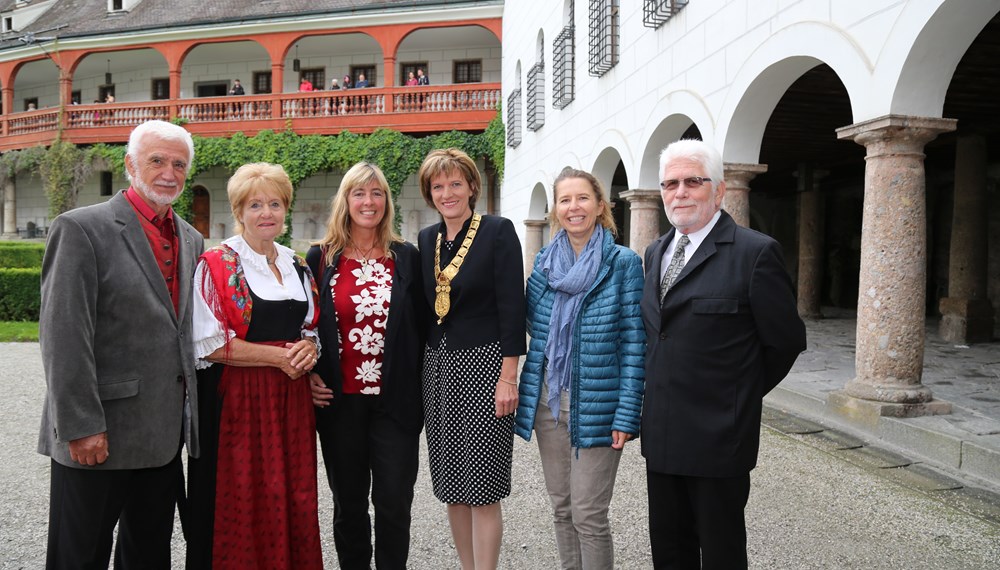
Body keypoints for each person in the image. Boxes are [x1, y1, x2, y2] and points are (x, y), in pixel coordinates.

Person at [38, 119, 203, 568]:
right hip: (97, 436)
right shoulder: (80, 228)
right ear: (130, 164)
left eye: (179, 164)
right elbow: (63, 335)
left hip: (161, 439)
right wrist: (80, 425)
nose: (169, 172)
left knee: (148, 556)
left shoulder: (192, 238)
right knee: (80, 556)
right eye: (157, 161)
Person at [641, 139, 807, 569]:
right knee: (669, 549)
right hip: (661, 434)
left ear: (719, 190)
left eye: (693, 181)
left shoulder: (755, 253)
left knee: (721, 553)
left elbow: (785, 342)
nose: (680, 192)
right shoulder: (655, 252)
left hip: (718, 437)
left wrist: (736, 395)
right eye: (671, 183)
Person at [186, 162, 323, 569]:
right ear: (239, 211)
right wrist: (281, 357)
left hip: (291, 399)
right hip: (240, 402)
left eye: (275, 204)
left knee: (292, 490)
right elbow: (209, 344)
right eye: (255, 204)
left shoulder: (296, 263)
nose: (267, 213)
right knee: (244, 491)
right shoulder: (218, 263)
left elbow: (310, 327)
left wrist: (308, 351)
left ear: (286, 210)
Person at [514, 168, 645, 569]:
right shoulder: (543, 265)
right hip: (549, 404)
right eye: (565, 200)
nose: (574, 207)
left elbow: (635, 343)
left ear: (600, 205)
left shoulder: (623, 264)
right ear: (556, 210)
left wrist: (626, 412)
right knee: (562, 508)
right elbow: (535, 333)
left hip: (599, 404)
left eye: (583, 198)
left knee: (589, 514)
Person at [306, 162, 426, 569]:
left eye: (376, 193)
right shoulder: (320, 258)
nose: (368, 202)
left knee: (394, 502)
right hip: (340, 403)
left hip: (396, 402)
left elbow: (426, 326)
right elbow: (305, 324)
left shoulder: (408, 258)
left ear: (386, 201)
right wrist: (309, 375)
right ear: (346, 200)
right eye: (359, 193)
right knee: (349, 503)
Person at [417, 148, 526, 570]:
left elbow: (511, 308)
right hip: (438, 368)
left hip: (485, 368)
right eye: (438, 186)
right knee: (451, 484)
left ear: (471, 187)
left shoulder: (498, 231)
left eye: (455, 184)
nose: (447, 193)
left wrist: (508, 376)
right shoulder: (428, 239)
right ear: (430, 192)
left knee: (483, 484)